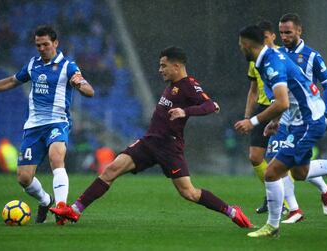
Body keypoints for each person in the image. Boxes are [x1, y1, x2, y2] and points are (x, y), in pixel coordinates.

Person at [50, 46, 252, 228]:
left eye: (163, 66)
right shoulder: (172, 83)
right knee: (111, 170)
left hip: (169, 147)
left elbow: (212, 106)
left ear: (176, 66)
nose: (160, 69)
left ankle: (232, 211)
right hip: (149, 142)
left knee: (189, 193)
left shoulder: (189, 85)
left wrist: (185, 111)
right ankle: (74, 211)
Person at [235, 25, 327, 237]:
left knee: (272, 172)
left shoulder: (271, 63)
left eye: (241, 44)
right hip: (301, 118)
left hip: (308, 121)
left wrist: (253, 121)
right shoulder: (267, 58)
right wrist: (276, 121)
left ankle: (272, 226)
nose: (240, 48)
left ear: (248, 45)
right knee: (300, 172)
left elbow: (283, 101)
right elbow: (287, 95)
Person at [0, 25, 95, 224]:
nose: (41, 48)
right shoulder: (33, 64)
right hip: (33, 127)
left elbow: (89, 91)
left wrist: (80, 84)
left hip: (57, 123)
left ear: (55, 43)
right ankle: (45, 200)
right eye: (38, 45)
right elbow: (11, 81)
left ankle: (61, 208)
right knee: (24, 178)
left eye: (45, 44)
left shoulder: (68, 65)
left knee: (56, 156)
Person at [264, 13, 327, 222]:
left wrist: (326, 112)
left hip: (305, 119)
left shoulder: (312, 56)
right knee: (279, 159)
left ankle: (322, 188)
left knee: (294, 166)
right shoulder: (277, 55)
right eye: (282, 33)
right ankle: (295, 208)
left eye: (288, 32)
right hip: (284, 117)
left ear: (299, 31)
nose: (284, 36)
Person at [243, 20, 288, 214]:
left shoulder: (281, 56)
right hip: (263, 108)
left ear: (272, 37)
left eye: (267, 37)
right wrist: (247, 117)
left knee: (284, 160)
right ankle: (273, 195)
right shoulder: (255, 60)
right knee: (255, 157)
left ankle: (284, 203)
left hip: (281, 108)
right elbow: (253, 90)